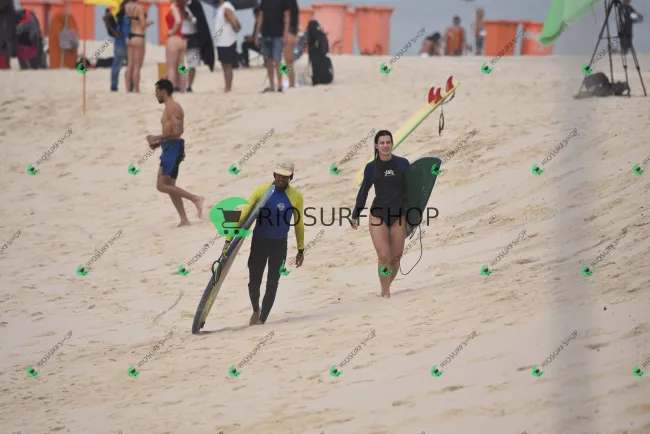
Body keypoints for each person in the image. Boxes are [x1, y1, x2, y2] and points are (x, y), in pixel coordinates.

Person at [220, 160, 304, 325]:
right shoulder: (261, 191)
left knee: (273, 283)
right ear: (274, 173)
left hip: (279, 245)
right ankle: (255, 309)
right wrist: (228, 240)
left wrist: (301, 250)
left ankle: (262, 319)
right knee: (254, 282)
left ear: (291, 177)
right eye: (279, 175)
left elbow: (299, 224)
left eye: (285, 176)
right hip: (259, 243)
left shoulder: (296, 197)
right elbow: (244, 215)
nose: (281, 178)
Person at [350, 130, 409, 299]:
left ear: (392, 143)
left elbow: (412, 189)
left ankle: (385, 286)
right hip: (378, 215)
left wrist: (416, 212)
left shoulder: (403, 164)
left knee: (395, 259)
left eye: (388, 142)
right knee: (383, 256)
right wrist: (355, 214)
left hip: (398, 216)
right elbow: (364, 191)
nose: (385, 145)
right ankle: (386, 294)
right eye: (382, 143)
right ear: (376, 146)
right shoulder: (371, 167)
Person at [147, 79, 204, 227]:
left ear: (163, 91)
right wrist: (159, 143)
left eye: (157, 92)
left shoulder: (173, 108)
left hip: (173, 148)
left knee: (161, 185)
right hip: (170, 147)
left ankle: (196, 199)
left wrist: (157, 137)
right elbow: (173, 132)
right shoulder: (169, 107)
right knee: (170, 185)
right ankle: (184, 219)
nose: (156, 95)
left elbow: (177, 131)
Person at [256, 0, 290, 92]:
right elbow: (261, 16)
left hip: (278, 34)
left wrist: (286, 34)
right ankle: (271, 85)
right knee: (269, 61)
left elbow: (287, 17)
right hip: (265, 34)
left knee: (278, 60)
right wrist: (256, 34)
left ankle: (279, 84)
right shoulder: (264, 1)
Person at [124, 0, 153, 92]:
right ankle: (137, 89)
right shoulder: (140, 7)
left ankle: (128, 89)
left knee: (130, 65)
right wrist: (150, 23)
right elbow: (142, 25)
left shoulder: (127, 6)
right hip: (139, 36)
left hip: (130, 35)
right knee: (137, 66)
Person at [215, 0, 241, 92]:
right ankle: (227, 86)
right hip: (222, 40)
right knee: (224, 65)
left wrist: (235, 27)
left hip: (227, 41)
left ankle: (228, 87)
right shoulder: (222, 7)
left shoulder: (226, 7)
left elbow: (234, 22)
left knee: (227, 65)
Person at [166, 0, 186, 92]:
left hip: (174, 39)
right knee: (181, 67)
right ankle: (182, 89)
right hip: (182, 39)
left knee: (171, 67)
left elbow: (177, 21)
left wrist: (172, 31)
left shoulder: (174, 7)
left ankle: (172, 89)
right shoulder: (182, 7)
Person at [107, 5, 128, 91]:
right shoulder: (126, 19)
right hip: (125, 44)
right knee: (130, 66)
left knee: (116, 66)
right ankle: (130, 86)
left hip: (118, 43)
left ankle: (114, 86)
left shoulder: (119, 17)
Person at [283, 0, 299, 88]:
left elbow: (287, 16)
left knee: (288, 62)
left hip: (288, 33)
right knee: (286, 63)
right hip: (292, 31)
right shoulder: (293, 3)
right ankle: (290, 81)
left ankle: (291, 83)